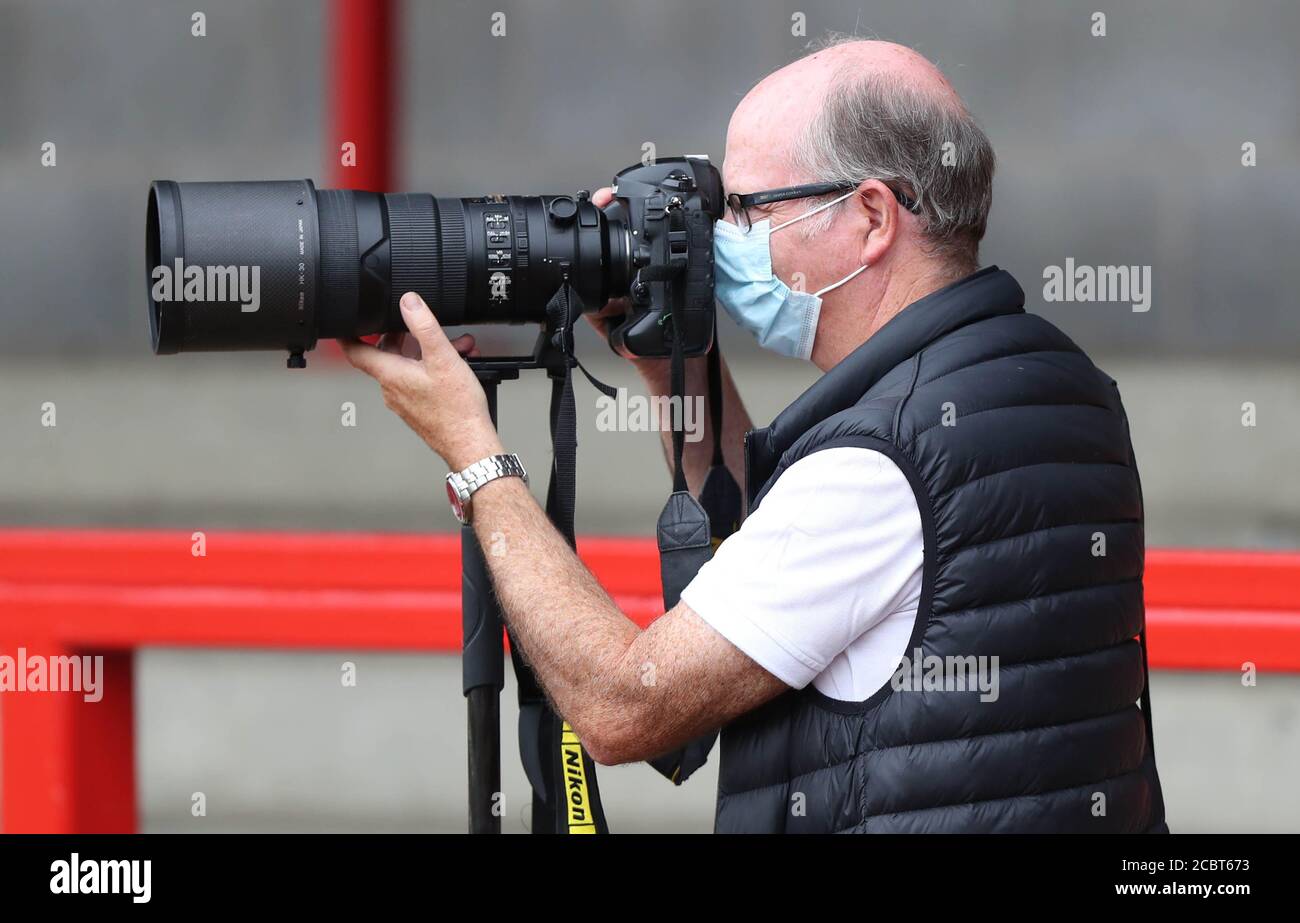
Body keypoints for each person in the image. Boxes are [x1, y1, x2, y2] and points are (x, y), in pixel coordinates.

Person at [341, 38, 1168, 833]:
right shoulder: (1059, 385)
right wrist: (672, 364)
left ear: (872, 216)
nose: (720, 236)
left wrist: (478, 459)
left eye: (743, 207)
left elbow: (625, 706)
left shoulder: (879, 466)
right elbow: (797, 554)